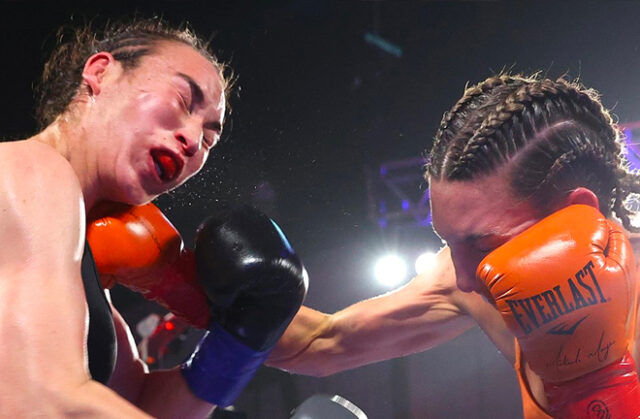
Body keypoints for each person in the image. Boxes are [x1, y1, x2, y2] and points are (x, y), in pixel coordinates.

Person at [265, 74, 640, 418]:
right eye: (448, 242)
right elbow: (320, 343)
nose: (462, 279)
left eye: (481, 243)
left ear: (574, 212)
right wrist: (220, 296)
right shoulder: (465, 273)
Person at [1, 18, 307, 418]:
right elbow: (43, 400)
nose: (194, 141)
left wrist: (238, 342)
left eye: (209, 139)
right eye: (183, 100)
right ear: (100, 73)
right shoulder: (28, 170)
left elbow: (137, 404)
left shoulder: (78, 268)